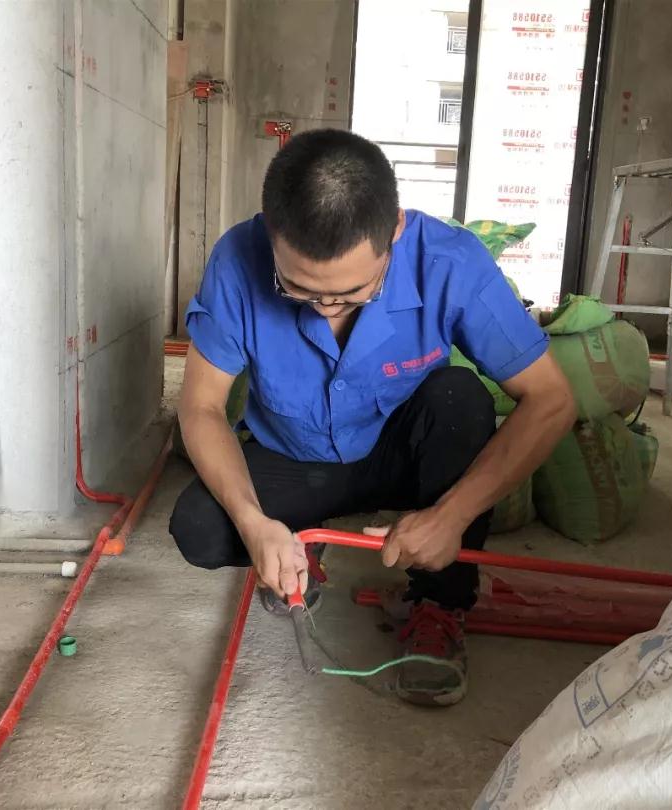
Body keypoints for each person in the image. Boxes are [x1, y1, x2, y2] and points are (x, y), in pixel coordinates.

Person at [169, 129, 575, 706]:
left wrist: (452, 516)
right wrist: (253, 521)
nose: (325, 307)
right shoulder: (237, 258)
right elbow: (201, 406)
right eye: (298, 288)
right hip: (296, 456)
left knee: (459, 399)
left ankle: (439, 602)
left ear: (395, 231)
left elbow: (552, 400)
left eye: (353, 291)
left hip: (401, 454)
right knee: (200, 528)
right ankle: (300, 541)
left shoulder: (450, 262)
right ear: (271, 232)